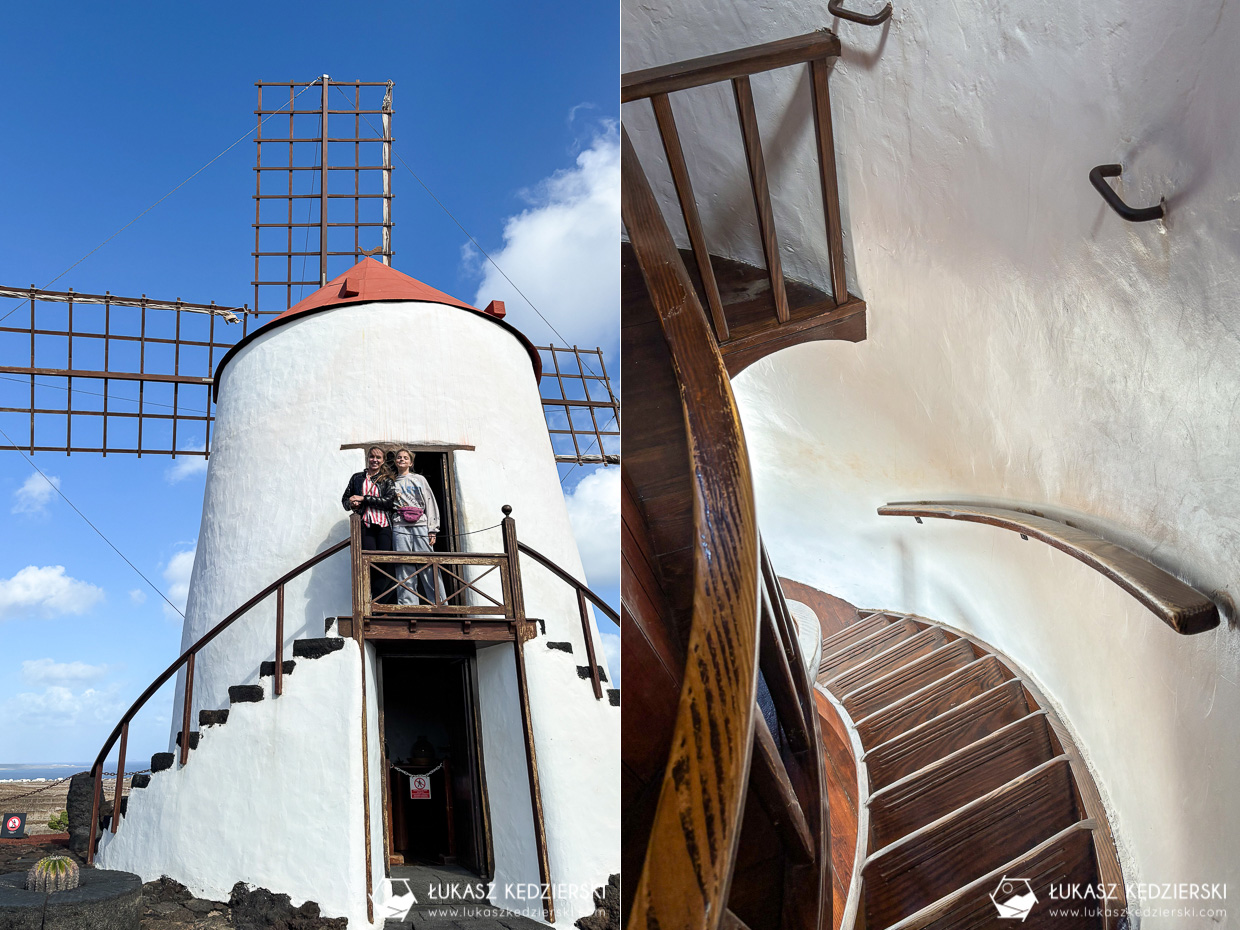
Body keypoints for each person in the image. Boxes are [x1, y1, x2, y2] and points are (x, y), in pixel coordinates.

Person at [389, 448, 444, 607]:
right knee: (404, 565)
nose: (402, 460)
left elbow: (430, 502)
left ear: (411, 462)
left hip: (420, 524)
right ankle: (408, 605)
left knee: (428, 563)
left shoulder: (419, 479)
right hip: (400, 525)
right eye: (399, 457)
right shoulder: (391, 482)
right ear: (395, 461)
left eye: (405, 457)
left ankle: (438, 603)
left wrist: (432, 529)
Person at [342, 446, 396, 603]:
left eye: (378, 457)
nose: (375, 460)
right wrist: (352, 503)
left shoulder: (386, 480)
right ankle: (368, 599)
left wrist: (364, 499)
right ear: (367, 458)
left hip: (384, 525)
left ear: (383, 460)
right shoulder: (357, 478)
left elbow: (388, 502)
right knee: (369, 563)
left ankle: (380, 601)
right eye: (372, 457)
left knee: (383, 564)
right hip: (366, 524)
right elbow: (345, 500)